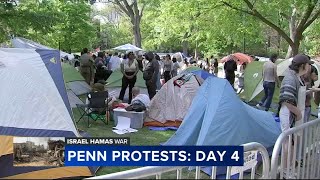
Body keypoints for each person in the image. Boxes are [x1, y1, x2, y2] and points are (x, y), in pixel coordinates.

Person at [278, 54, 312, 173]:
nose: (309, 66)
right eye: (308, 64)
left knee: (292, 144)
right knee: (288, 144)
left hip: (295, 115)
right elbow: (286, 100)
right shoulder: (290, 78)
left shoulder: (297, 77)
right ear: (303, 65)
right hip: (289, 115)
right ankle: (285, 170)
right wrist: (298, 114)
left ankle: (289, 168)